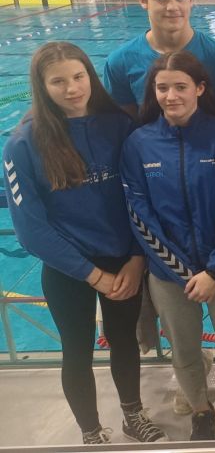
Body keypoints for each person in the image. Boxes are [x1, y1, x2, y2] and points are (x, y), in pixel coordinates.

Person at [3, 42, 166, 445]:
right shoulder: (23, 143)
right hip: (68, 268)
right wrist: (92, 274)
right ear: (42, 86)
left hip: (122, 260)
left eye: (79, 77)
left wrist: (136, 258)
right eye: (58, 81)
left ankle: (133, 415)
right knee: (76, 350)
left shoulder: (119, 127)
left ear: (90, 76)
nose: (72, 88)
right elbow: (31, 230)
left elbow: (142, 199)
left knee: (125, 342)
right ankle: (90, 431)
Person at [120, 50, 215, 441]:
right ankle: (200, 410)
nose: (171, 95)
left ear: (200, 88)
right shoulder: (139, 144)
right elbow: (139, 215)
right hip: (168, 274)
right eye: (162, 88)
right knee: (183, 348)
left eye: (180, 86)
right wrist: (181, 271)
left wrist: (214, 270)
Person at [104, 0, 215, 118]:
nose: (172, 7)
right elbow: (125, 125)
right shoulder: (120, 63)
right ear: (143, 0)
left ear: (190, 0)